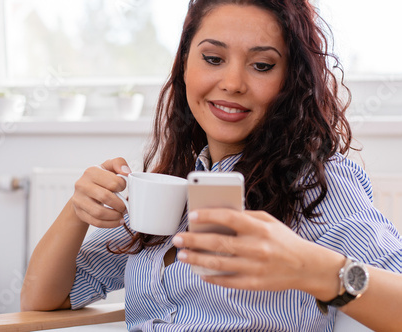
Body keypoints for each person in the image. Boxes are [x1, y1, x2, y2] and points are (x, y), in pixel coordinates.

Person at [21, 0, 402, 331]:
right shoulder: (172, 192)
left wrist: (312, 268)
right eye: (213, 59)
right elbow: (42, 299)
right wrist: (76, 211)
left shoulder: (316, 182)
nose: (233, 82)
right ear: (185, 65)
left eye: (263, 65)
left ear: (291, 81)